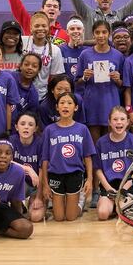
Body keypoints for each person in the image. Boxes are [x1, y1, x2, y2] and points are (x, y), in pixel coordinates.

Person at [40, 92, 95, 221]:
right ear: (57, 107)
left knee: (71, 217)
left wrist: (90, 180)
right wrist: (45, 184)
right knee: (59, 218)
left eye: (69, 103)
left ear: (75, 107)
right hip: (55, 174)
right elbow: (45, 159)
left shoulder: (82, 129)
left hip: (74, 174)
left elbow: (88, 156)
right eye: (62, 103)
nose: (65, 106)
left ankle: (79, 204)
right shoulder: (49, 130)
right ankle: (63, 204)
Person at [76, 20, 126, 143]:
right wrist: (84, 77)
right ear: (93, 34)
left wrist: (118, 79)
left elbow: (124, 85)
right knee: (94, 143)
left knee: (110, 143)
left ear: (109, 34)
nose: (101, 35)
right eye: (97, 32)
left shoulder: (118, 55)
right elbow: (77, 82)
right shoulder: (85, 54)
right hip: (92, 104)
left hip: (111, 103)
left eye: (104, 32)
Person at [94, 107, 133, 220]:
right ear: (109, 122)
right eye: (115, 119)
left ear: (128, 122)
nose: (119, 122)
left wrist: (123, 190)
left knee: (121, 212)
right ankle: (110, 204)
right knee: (102, 214)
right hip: (109, 185)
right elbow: (98, 169)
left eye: (122, 119)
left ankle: (122, 205)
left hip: (127, 185)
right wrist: (108, 188)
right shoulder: (101, 142)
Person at [9, 112, 46, 223]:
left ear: (35, 129)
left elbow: (42, 171)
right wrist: (27, 169)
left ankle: (40, 202)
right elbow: (5, 162)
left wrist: (39, 197)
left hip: (37, 185)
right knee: (17, 218)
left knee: (35, 217)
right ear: (16, 127)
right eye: (23, 124)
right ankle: (18, 207)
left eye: (30, 125)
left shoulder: (40, 143)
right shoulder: (11, 141)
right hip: (18, 184)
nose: (26, 127)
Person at [22, 11, 66, 100]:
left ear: (48, 28)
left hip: (42, 96)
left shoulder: (55, 50)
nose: (40, 28)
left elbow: (55, 77)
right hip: (21, 93)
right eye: (37, 26)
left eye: (44, 26)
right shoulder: (22, 42)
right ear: (31, 28)